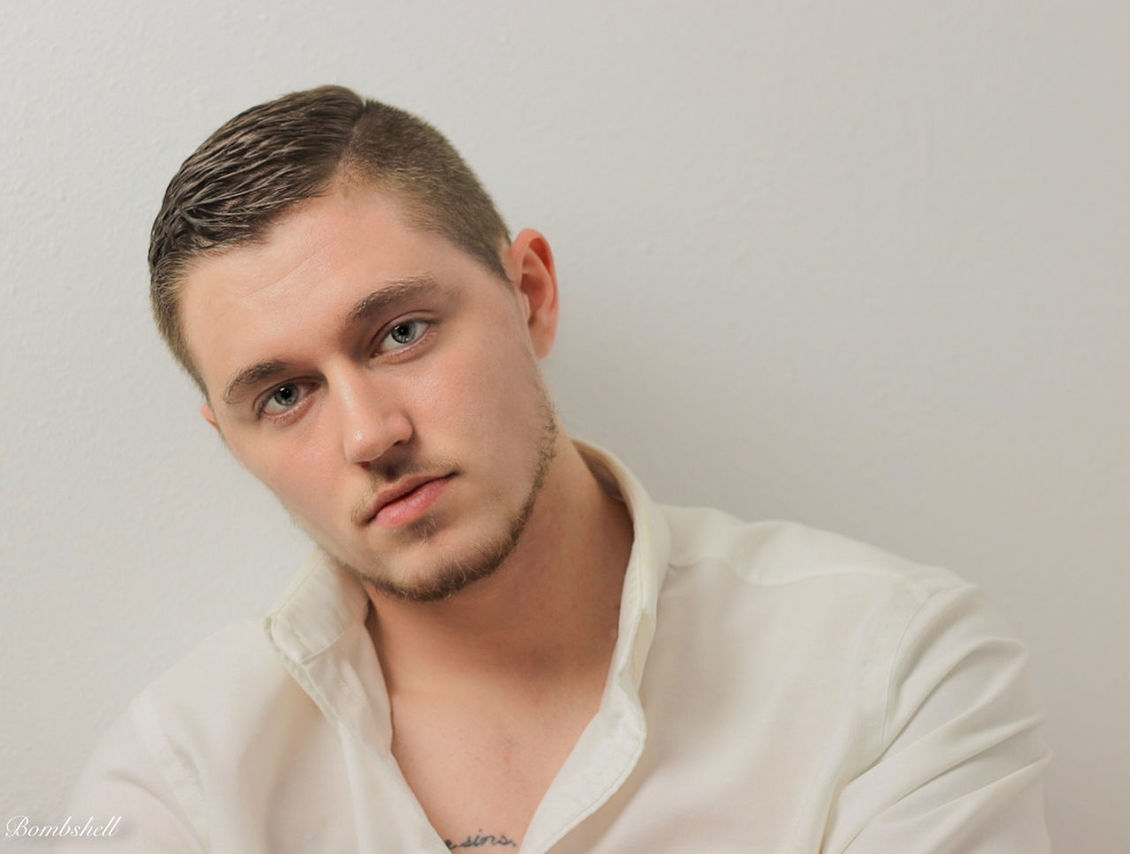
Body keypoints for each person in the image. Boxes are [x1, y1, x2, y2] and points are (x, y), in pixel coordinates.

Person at [63, 85, 1051, 853]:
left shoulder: (892, 669)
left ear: (529, 291)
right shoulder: (178, 778)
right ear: (229, 439)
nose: (369, 433)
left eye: (399, 331)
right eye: (283, 395)